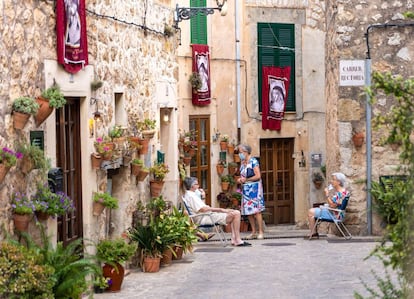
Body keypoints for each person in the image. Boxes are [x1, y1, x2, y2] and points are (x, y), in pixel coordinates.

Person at [183, 177, 251, 247]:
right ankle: (237, 239)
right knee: (236, 213)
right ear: (192, 186)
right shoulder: (191, 196)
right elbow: (203, 209)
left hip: (206, 216)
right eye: (197, 184)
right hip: (205, 218)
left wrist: (203, 197)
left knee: (234, 212)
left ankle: (235, 239)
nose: (198, 186)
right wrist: (221, 210)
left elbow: (201, 207)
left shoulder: (191, 194)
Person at [307, 172, 350, 239]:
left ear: (338, 182)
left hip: (334, 215)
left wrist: (327, 194)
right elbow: (335, 204)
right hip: (336, 213)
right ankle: (314, 232)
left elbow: (333, 205)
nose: (331, 181)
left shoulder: (341, 194)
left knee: (311, 211)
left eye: (333, 179)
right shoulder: (344, 192)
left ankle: (314, 233)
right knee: (314, 211)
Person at [236, 144, 265, 240]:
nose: (239, 154)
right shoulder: (242, 163)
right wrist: (240, 180)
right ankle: (253, 231)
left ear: (246, 152)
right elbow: (242, 175)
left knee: (257, 211)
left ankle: (260, 231)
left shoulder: (253, 161)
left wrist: (246, 179)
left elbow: (258, 176)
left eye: (240, 152)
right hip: (246, 189)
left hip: (255, 189)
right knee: (249, 212)